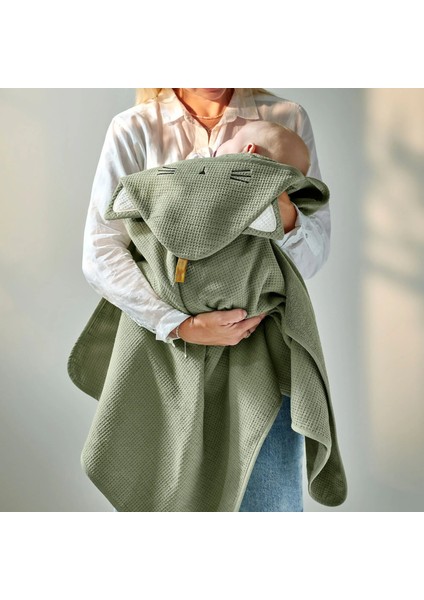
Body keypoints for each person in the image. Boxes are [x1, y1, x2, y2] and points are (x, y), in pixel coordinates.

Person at [82, 88, 331, 511]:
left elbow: (311, 257)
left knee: (265, 504)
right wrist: (179, 325)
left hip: (259, 354)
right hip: (165, 354)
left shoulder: (285, 118)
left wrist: (282, 213)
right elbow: (101, 251)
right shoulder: (136, 127)